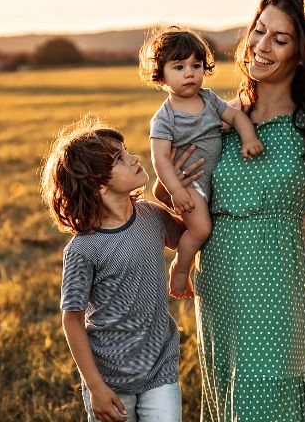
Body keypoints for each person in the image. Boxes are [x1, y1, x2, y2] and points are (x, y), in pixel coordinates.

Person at [155, 0, 305, 420]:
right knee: (229, 392)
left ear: (304, 52)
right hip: (217, 281)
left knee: (267, 392)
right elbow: (177, 199)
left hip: (275, 282)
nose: (260, 45)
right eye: (259, 31)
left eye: (280, 39)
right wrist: (172, 187)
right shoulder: (215, 117)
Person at [41, 117, 201, 422]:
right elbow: (72, 319)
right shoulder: (82, 250)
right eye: (120, 159)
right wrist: (95, 387)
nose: (135, 158)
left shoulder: (151, 216)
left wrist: (173, 191)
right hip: (108, 375)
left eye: (126, 151)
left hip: (159, 364)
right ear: (98, 184)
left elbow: (190, 237)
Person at [138, 26, 263, 299]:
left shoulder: (208, 99)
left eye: (196, 65)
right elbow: (160, 159)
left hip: (209, 180)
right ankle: (181, 268)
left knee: (204, 227)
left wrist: (248, 138)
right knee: (201, 229)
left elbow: (237, 117)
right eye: (179, 67)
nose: (190, 72)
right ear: (161, 75)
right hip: (191, 183)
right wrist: (177, 191)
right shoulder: (164, 118)